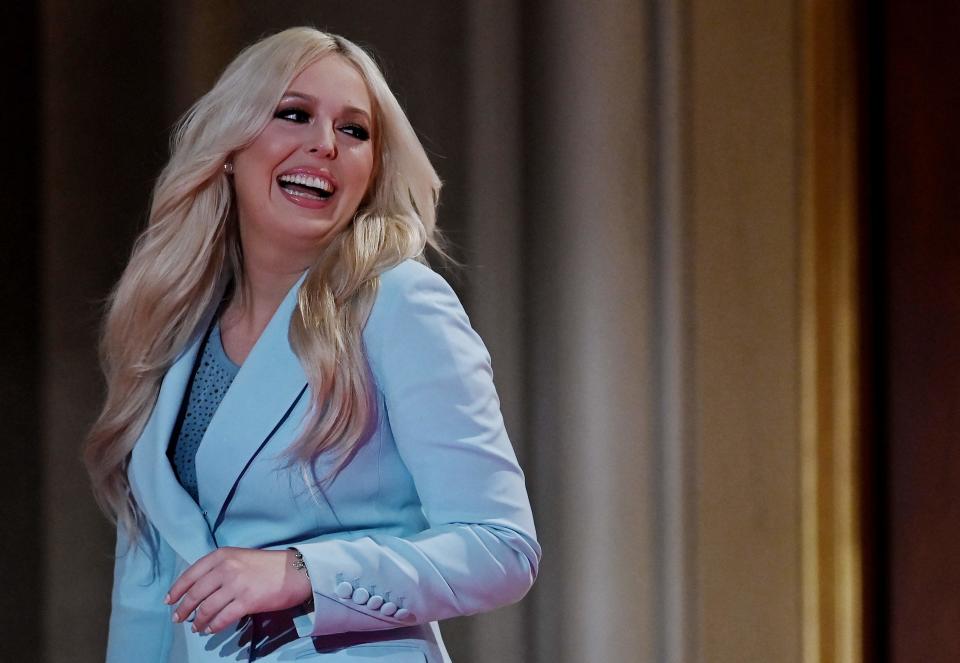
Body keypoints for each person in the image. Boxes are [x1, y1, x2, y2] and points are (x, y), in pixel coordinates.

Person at [83, 26, 540, 662]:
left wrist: (301, 572)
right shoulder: (174, 322)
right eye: (294, 115)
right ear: (229, 148)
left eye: (354, 131)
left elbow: (502, 547)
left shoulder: (399, 301)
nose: (324, 144)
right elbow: (151, 589)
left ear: (373, 168)